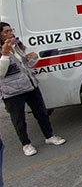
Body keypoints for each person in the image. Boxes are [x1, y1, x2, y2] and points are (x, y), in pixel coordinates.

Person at [0, 23, 66, 157]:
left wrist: (33, 58)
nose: (10, 33)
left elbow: (25, 65)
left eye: (11, 30)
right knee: (19, 119)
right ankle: (26, 144)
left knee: (41, 112)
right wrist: (5, 53)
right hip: (12, 92)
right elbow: (1, 72)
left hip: (30, 85)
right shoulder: (4, 50)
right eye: (6, 32)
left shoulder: (17, 45)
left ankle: (50, 136)